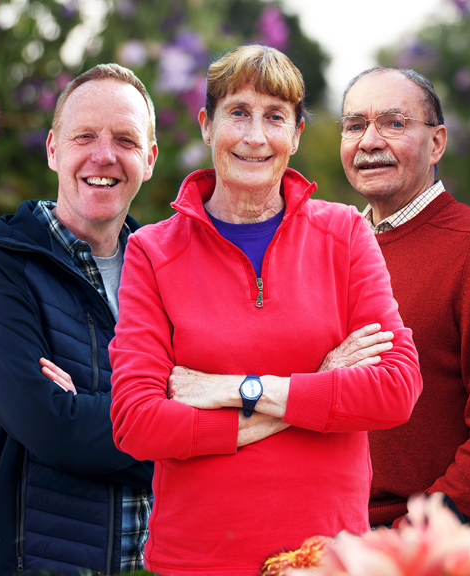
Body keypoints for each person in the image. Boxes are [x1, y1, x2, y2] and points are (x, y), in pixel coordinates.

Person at [108, 45, 422, 575]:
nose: (255, 136)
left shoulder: (344, 233)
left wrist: (238, 389)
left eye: (274, 117)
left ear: (295, 134)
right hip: (196, 561)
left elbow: (396, 389)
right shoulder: (152, 252)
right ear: (207, 126)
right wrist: (317, 385)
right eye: (238, 113)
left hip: (329, 558)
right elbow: (137, 423)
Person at [0, 64, 157, 575]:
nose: (104, 155)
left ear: (150, 159)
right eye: (84, 136)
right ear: (52, 149)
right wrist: (178, 420)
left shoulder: (171, 273)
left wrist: (89, 410)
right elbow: (51, 429)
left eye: (126, 140)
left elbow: (217, 425)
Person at [338, 66, 470, 535]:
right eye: (355, 125)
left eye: (393, 123)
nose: (369, 141)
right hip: (326, 531)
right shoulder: (333, 244)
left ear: (436, 143)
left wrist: (415, 535)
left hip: (416, 544)